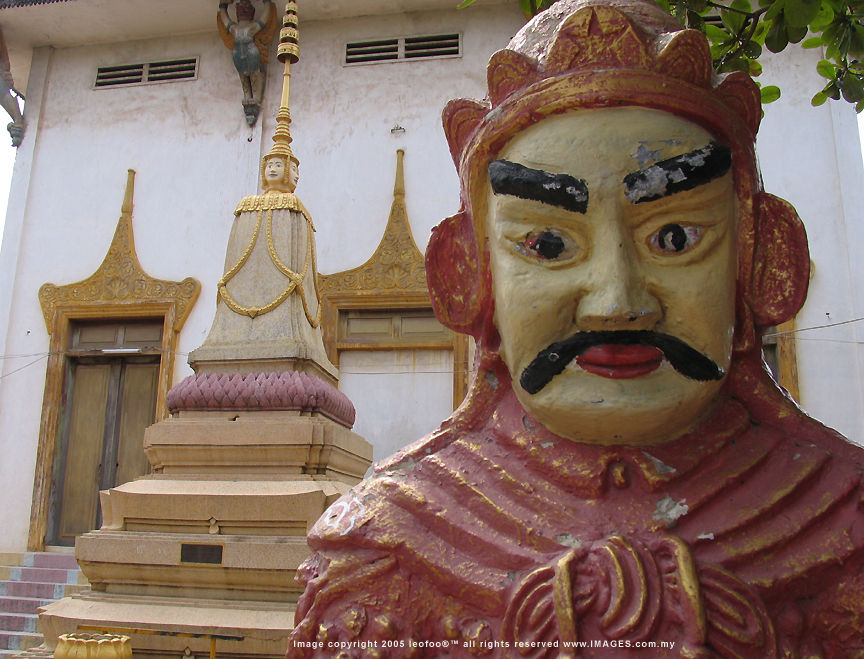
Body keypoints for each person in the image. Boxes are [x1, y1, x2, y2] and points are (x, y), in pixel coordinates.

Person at [287, 0, 864, 655]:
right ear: (469, 274)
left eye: (674, 237)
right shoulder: (384, 544)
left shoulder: (839, 518)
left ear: (761, 259)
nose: (616, 303)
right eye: (548, 244)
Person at [217, 0, 278, 126]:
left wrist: (267, 4)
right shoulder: (235, 28)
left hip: (251, 53)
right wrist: (222, 7)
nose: (243, 9)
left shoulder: (252, 27)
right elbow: (225, 21)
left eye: (245, 8)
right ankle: (248, 97)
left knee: (255, 75)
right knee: (244, 77)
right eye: (241, 7)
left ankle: (254, 98)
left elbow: (265, 18)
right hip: (238, 55)